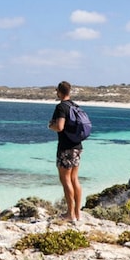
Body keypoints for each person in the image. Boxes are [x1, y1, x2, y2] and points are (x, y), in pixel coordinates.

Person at [48, 80, 83, 222]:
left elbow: (60, 126)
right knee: (75, 179)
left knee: (65, 179)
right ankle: (77, 214)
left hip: (66, 148)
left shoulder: (61, 107)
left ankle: (70, 214)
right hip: (77, 147)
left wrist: (51, 126)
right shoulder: (75, 106)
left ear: (59, 92)